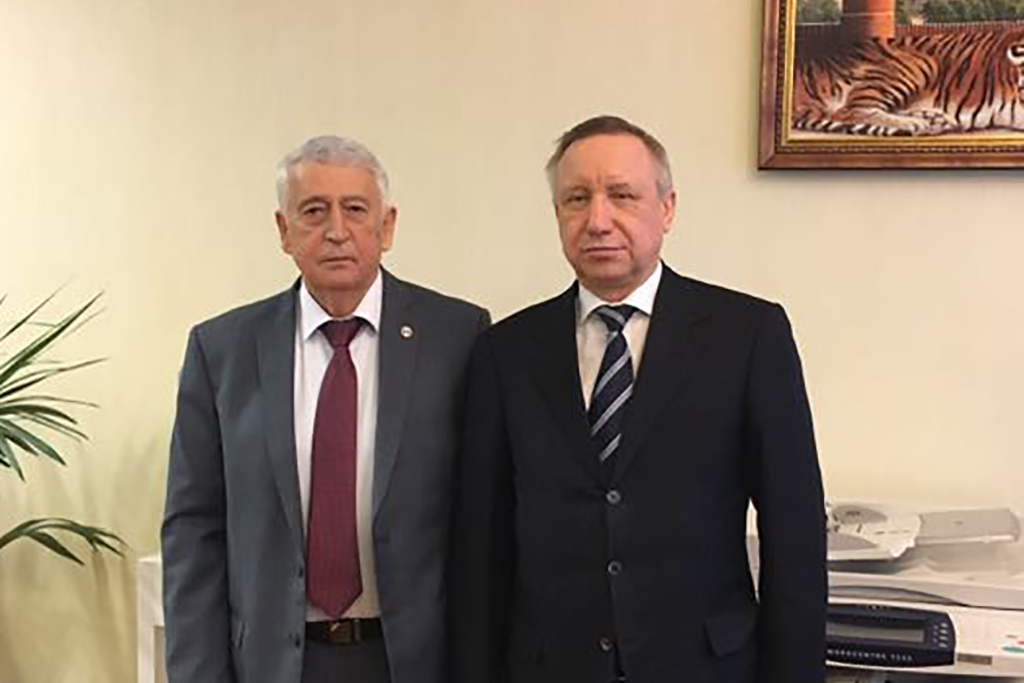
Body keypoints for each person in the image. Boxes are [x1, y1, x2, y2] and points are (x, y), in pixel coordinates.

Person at [449, 115, 826, 683]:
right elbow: (481, 545)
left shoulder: (748, 336)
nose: (598, 220)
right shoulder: (506, 351)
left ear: (667, 208)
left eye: (622, 195)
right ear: (557, 214)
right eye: (577, 198)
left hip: (705, 667)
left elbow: (794, 533)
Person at [162, 135, 489, 683]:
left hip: (414, 659)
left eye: (355, 209)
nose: (337, 230)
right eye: (314, 211)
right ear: (283, 230)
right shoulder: (221, 351)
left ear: (387, 226)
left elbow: (484, 521)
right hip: (273, 663)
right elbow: (193, 531)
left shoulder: (457, 337)